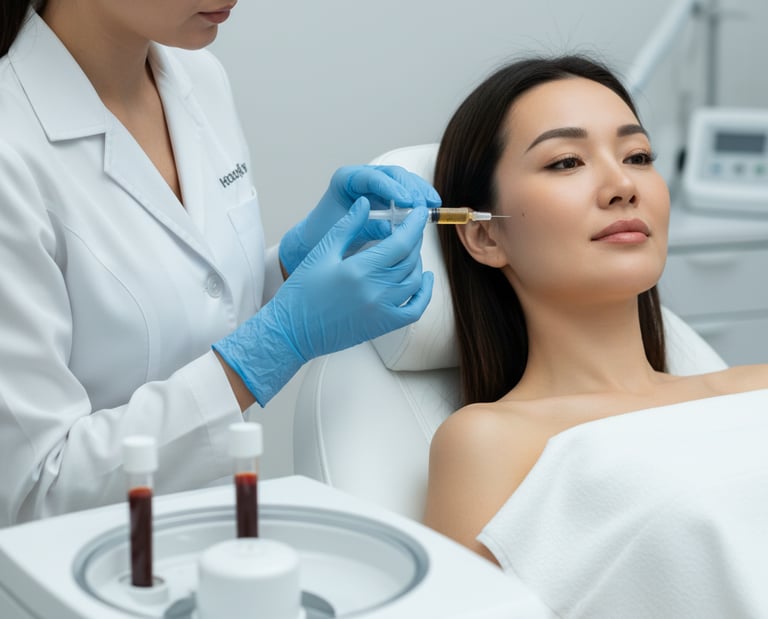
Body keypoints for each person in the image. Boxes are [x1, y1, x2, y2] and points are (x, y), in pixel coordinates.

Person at [0, 1, 440, 525]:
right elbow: (31, 491)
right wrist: (274, 345)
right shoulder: (12, 145)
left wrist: (292, 266)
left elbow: (197, 305)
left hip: (215, 541)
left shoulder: (197, 78)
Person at [423, 55, 768, 617]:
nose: (621, 186)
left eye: (638, 157)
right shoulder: (490, 442)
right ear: (485, 236)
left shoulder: (757, 389)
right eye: (565, 162)